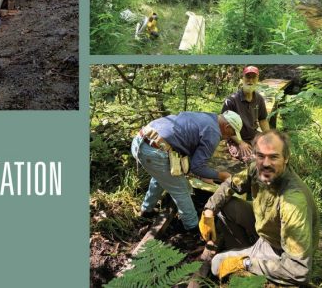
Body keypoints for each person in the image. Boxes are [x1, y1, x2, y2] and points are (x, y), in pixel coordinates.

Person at [199, 130, 319, 285]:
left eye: (274, 156)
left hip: (278, 250)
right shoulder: (256, 168)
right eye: (261, 155)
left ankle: (249, 260)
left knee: (216, 265)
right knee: (227, 206)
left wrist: (246, 264)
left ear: (286, 158)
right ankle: (245, 249)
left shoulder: (293, 202)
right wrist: (208, 210)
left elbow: (299, 270)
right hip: (266, 229)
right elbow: (230, 184)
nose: (266, 163)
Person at [131, 111, 243, 231]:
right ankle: (192, 227)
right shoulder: (213, 133)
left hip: (141, 140)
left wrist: (203, 175)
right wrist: (221, 175)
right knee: (181, 190)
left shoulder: (207, 117)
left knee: (161, 177)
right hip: (154, 152)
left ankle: (146, 210)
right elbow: (197, 167)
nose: (229, 137)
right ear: (227, 127)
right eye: (232, 133)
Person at [221, 66, 269, 161]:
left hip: (254, 135)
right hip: (236, 139)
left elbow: (263, 119)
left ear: (257, 79)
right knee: (251, 159)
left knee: (270, 152)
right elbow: (223, 126)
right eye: (247, 77)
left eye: (253, 77)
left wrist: (268, 136)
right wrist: (241, 143)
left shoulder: (259, 99)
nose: (250, 80)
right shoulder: (231, 100)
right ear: (242, 79)